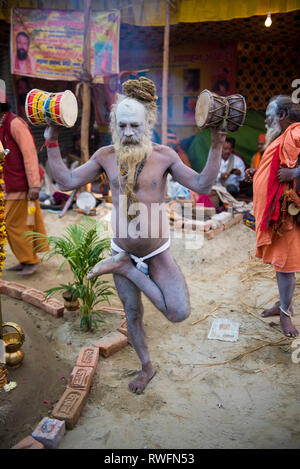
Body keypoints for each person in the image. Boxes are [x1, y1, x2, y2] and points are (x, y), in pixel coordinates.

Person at [44, 77, 226, 394]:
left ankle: (124, 266)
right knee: (133, 314)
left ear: (148, 123)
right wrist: (51, 140)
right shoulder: (105, 155)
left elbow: (202, 186)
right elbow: (66, 180)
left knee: (178, 312)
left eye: (135, 126)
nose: (128, 133)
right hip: (122, 245)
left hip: (156, 253)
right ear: (116, 124)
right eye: (123, 126)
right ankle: (146, 366)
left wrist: (217, 144)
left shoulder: (165, 156)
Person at [245, 95, 300, 337]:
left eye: (269, 112)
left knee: (286, 265)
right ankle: (282, 304)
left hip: (289, 214)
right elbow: (276, 170)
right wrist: (258, 173)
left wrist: (296, 171)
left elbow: (289, 171)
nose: (265, 118)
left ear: (282, 115)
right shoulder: (280, 138)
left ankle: (286, 314)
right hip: (278, 214)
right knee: (280, 263)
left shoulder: (296, 131)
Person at [0, 94, 48, 275]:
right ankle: (26, 259)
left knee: (14, 225)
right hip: (10, 187)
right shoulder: (2, 124)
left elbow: (30, 155)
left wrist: (34, 185)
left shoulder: (15, 124)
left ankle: (30, 260)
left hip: (22, 188)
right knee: (26, 223)